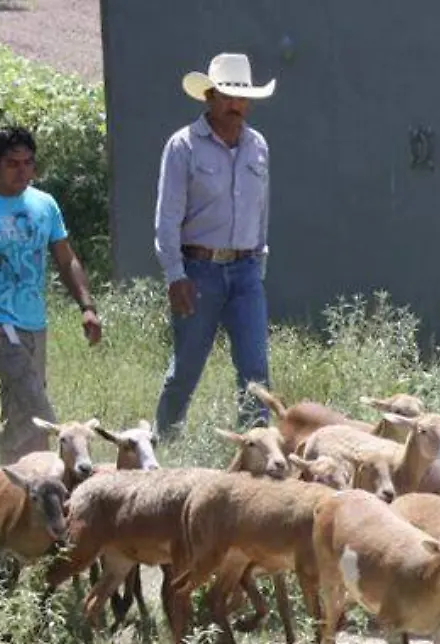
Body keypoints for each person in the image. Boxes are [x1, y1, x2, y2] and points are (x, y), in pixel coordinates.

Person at [0, 125, 103, 464]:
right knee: (37, 404)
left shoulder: (44, 204)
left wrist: (87, 306)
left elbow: (65, 256)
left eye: (29, 163)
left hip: (33, 323)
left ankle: (6, 487)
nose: (23, 171)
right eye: (13, 163)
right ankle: (62, 473)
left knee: (21, 413)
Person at [153, 51, 275, 437]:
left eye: (242, 97)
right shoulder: (183, 146)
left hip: (246, 270)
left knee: (255, 371)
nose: (235, 105)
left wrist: (258, 264)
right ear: (209, 96)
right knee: (187, 368)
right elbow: (167, 217)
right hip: (199, 270)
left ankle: (255, 457)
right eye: (226, 95)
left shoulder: (258, 146)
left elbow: (263, 210)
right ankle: (166, 443)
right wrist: (175, 274)